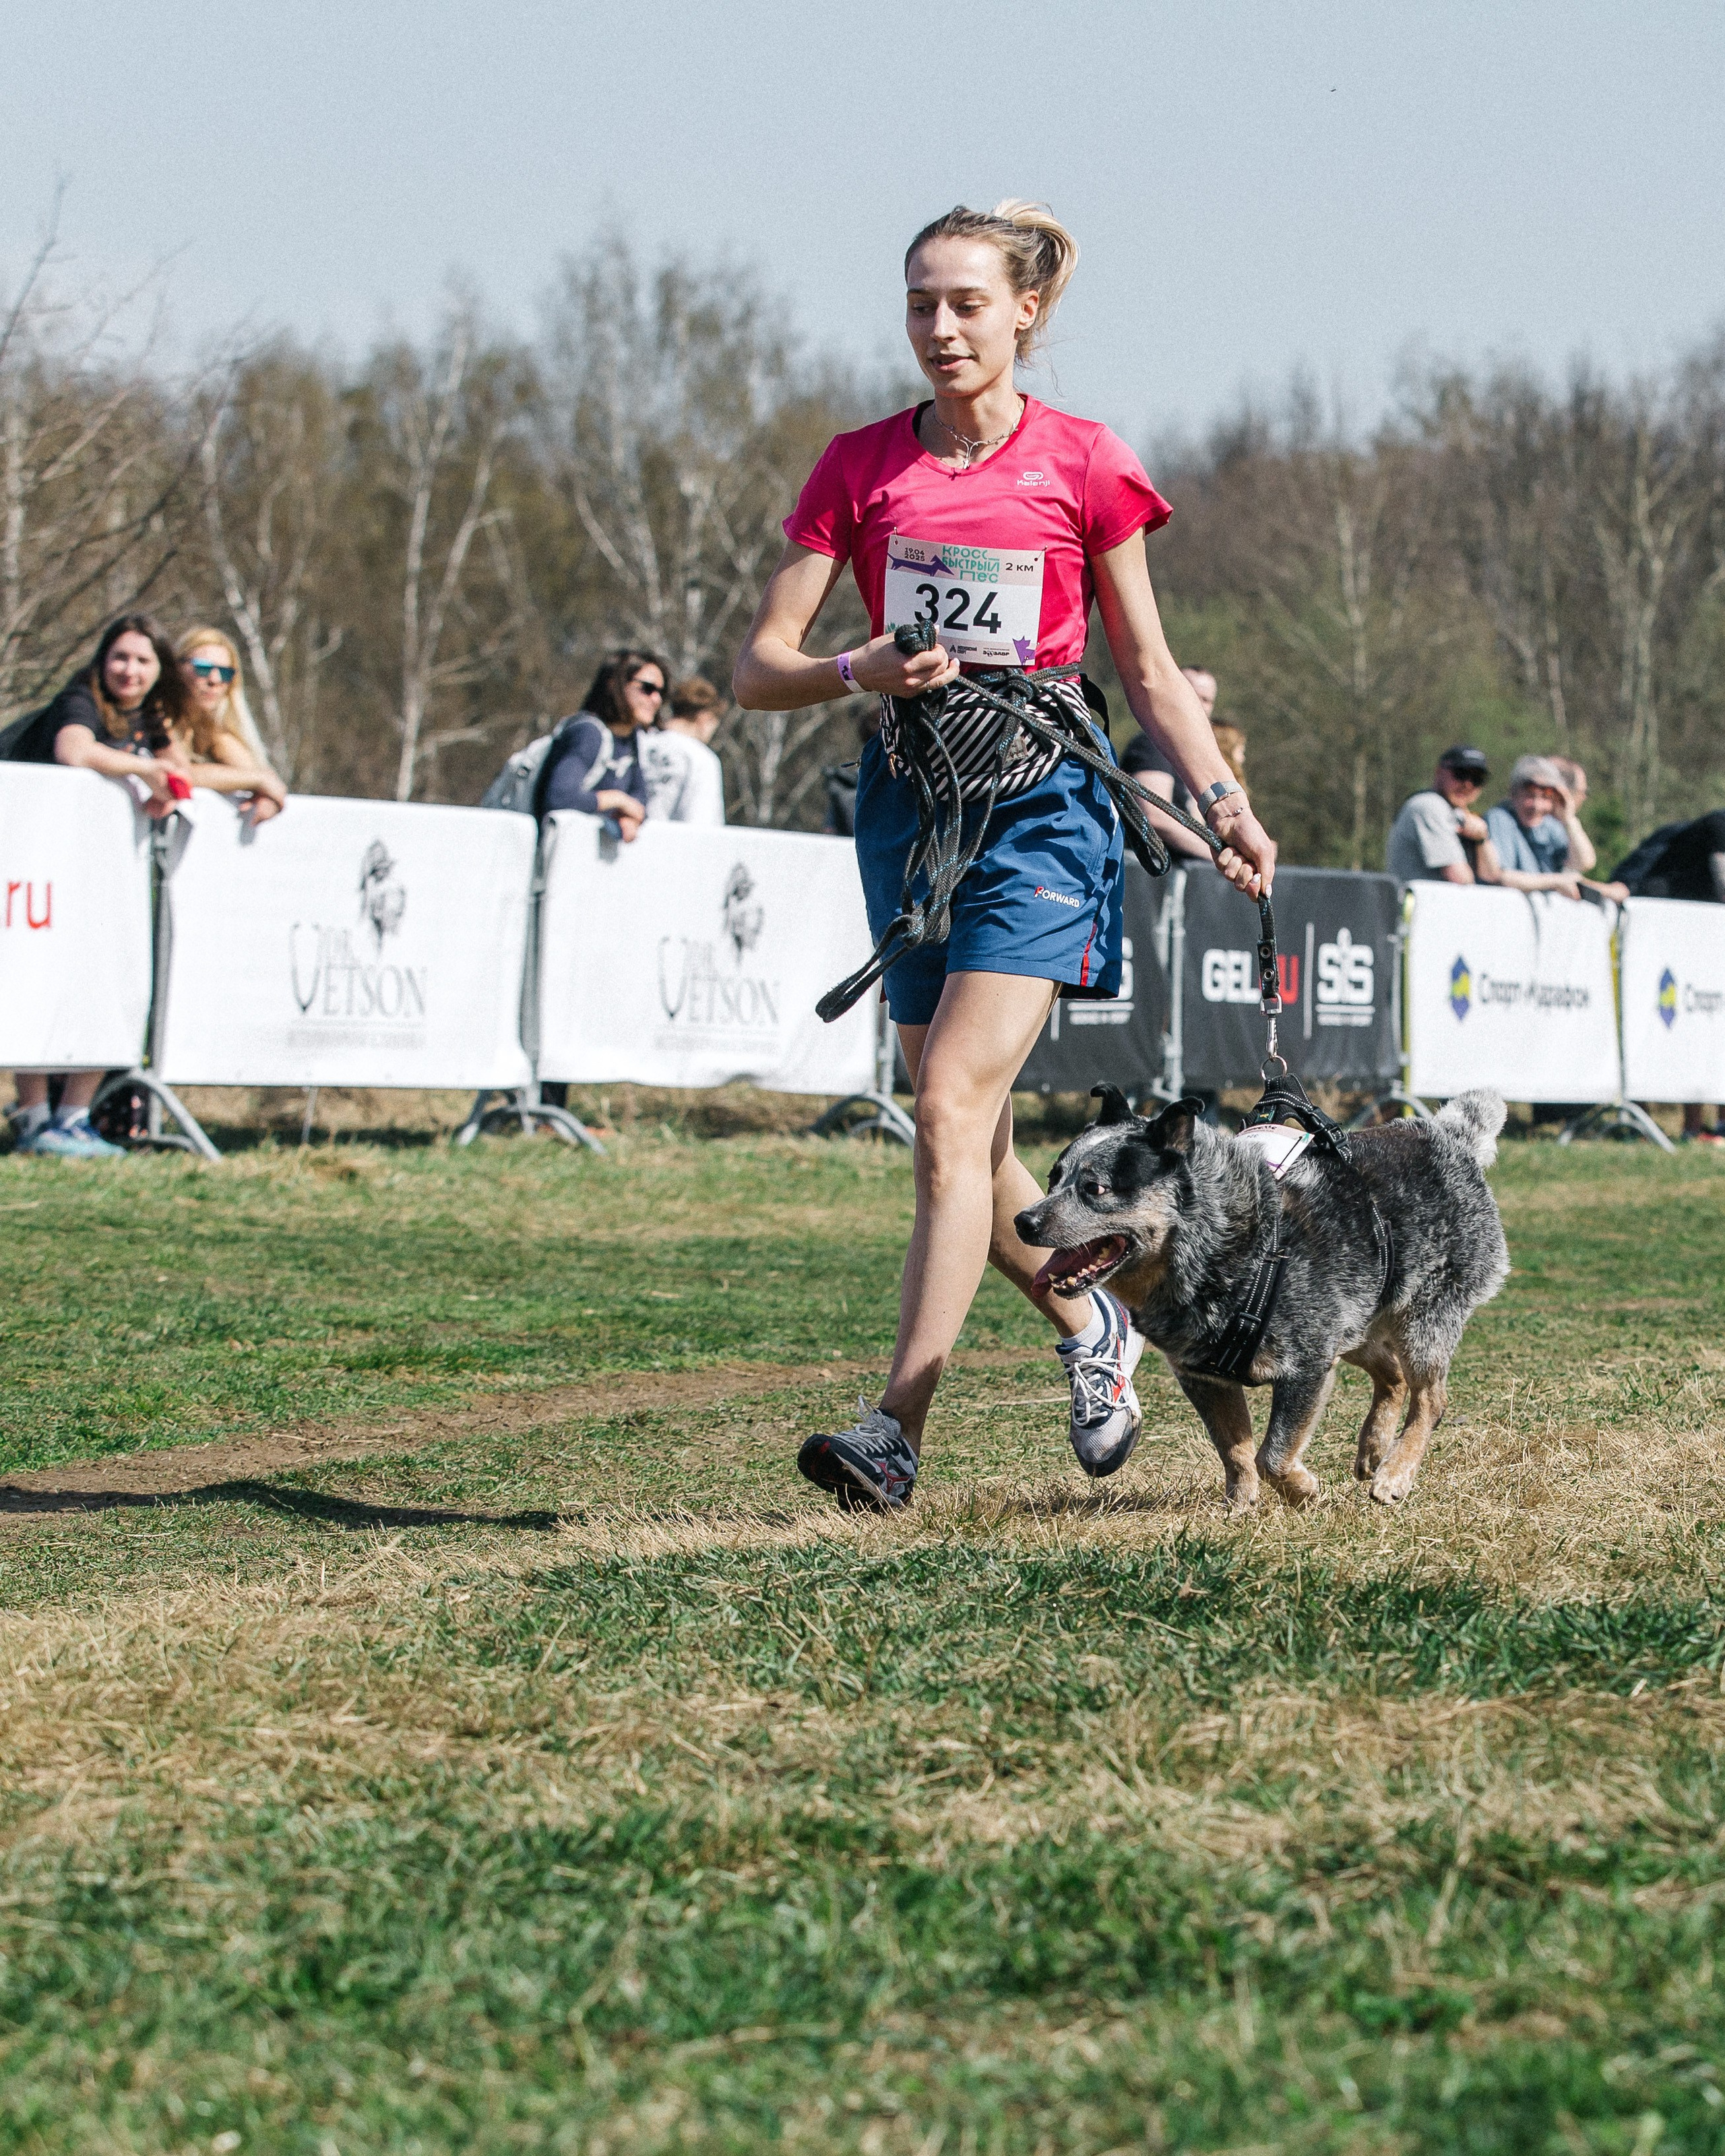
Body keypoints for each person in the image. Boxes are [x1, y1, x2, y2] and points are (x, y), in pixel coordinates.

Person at [733, 198, 1277, 1513]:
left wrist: (1217, 797)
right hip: (910, 811)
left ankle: (892, 1430)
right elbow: (756, 671)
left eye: (964, 302)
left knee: (943, 1113)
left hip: (1041, 811)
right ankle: (1097, 1329)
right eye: (919, 302)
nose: (938, 327)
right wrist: (855, 667)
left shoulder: (1082, 462)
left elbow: (1145, 667)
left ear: (1023, 311)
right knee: (960, 1142)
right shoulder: (858, 467)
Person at [7, 614, 189, 1159]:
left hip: (94, 874)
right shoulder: (80, 699)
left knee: (103, 977)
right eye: (119, 657)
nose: (128, 670)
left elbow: (178, 771)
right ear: (101, 660)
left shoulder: (154, 717)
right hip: (28, 864)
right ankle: (32, 1117)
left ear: (159, 670)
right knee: (33, 978)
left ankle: (74, 1118)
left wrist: (170, 783)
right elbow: (74, 750)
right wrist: (145, 770)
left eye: (142, 660)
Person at [1612, 805, 1725, 1145]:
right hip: (1668, 940)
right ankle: (1667, 1123)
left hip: (1704, 943)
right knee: (1679, 1028)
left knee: (1711, 1029)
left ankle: (1711, 1127)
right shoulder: (1719, 824)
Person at [536, 649, 660, 835]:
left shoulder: (631, 739)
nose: (656, 699)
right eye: (647, 689)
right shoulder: (588, 733)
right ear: (614, 684)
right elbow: (560, 798)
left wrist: (627, 816)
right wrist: (617, 800)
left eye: (661, 692)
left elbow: (639, 799)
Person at [172, 627, 288, 824]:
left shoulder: (214, 733)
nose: (215, 681)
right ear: (175, 669)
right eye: (203, 668)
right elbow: (176, 773)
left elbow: (264, 777)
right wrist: (259, 781)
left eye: (225, 673)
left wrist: (269, 796)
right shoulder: (155, 717)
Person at [1123, 665, 1235, 860]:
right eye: (1191, 693)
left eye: (1206, 700)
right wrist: (1222, 855)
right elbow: (1157, 817)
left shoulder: (1199, 756)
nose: (1199, 705)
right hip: (1144, 878)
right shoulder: (1153, 744)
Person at [1486, 755, 1626, 901]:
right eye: (1529, 795)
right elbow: (1502, 876)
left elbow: (1584, 863)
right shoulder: (1499, 819)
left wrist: (1569, 818)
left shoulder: (1548, 825)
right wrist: (1557, 881)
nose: (1536, 806)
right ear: (1513, 793)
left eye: (1545, 797)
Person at [1386, 746, 1502, 884]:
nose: (1468, 785)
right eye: (1460, 774)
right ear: (1439, 772)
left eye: (1477, 779)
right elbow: (1461, 880)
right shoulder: (1429, 806)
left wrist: (1481, 838)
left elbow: (1491, 876)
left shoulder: (1458, 814)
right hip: (1417, 904)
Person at [637, 674, 726, 825]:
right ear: (705, 718)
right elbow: (701, 824)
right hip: (671, 846)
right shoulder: (703, 760)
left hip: (626, 843)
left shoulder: (639, 742)